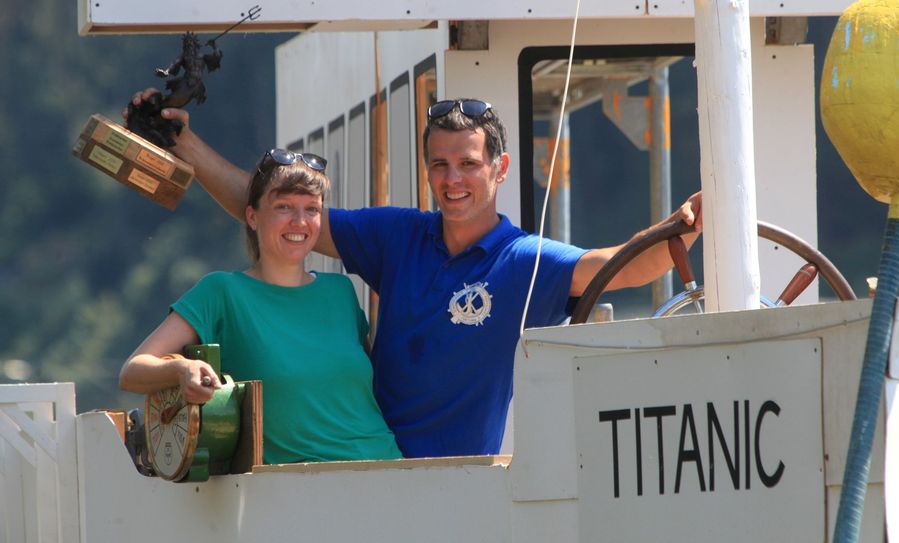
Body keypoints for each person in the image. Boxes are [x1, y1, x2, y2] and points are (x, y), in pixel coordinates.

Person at [125, 92, 702, 458]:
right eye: (440, 165)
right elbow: (286, 220)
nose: (454, 179)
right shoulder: (397, 235)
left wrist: (693, 222)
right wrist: (186, 145)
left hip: (458, 482)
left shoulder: (525, 260)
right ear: (427, 170)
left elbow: (624, 266)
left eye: (470, 165)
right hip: (372, 466)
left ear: (499, 168)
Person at [118, 149, 402, 464]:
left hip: (384, 469)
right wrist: (182, 369)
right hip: (292, 488)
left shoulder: (341, 291)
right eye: (283, 207)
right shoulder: (222, 292)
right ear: (252, 216)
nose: (300, 221)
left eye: (312, 209)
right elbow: (132, 372)